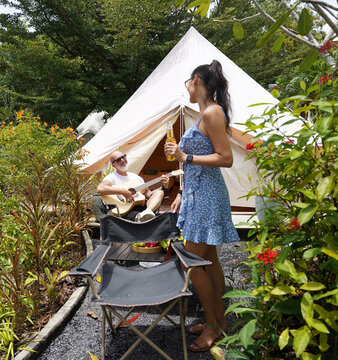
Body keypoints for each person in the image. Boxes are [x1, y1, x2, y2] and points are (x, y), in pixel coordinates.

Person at [164, 60, 240, 352]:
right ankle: (218, 321)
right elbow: (196, 158)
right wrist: (182, 189)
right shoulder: (204, 114)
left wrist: (186, 157)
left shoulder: (212, 112)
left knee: (191, 263)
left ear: (196, 80)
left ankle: (212, 326)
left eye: (188, 83)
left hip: (208, 197)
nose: (186, 89)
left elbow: (226, 158)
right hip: (198, 194)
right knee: (209, 262)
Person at [97, 150, 169, 222]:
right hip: (125, 210)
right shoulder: (111, 177)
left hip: (142, 208)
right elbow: (100, 189)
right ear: (113, 165)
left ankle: (147, 213)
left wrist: (164, 186)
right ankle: (142, 217)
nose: (122, 160)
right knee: (135, 216)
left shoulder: (136, 177)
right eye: (118, 160)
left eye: (123, 157)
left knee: (159, 192)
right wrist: (122, 191)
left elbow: (149, 194)